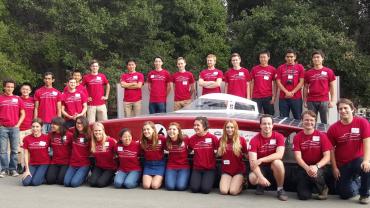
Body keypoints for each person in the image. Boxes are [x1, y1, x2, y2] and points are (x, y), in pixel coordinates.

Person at [327, 98, 370, 204]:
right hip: (343, 165)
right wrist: (334, 168)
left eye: (345, 108)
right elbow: (331, 150)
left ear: (352, 109)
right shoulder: (333, 128)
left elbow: (367, 142)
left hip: (357, 161)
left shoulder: (362, 122)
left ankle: (364, 194)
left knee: (367, 167)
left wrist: (366, 160)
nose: (343, 111)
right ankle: (358, 182)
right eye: (340, 109)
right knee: (344, 194)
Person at [293, 110, 332, 200]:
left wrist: (316, 166)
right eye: (306, 120)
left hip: (319, 167)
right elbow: (298, 157)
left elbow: (327, 156)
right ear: (302, 121)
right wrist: (307, 168)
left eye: (312, 120)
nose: (309, 122)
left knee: (315, 174)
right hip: (303, 168)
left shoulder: (322, 136)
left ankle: (323, 188)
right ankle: (310, 186)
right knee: (303, 196)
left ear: (315, 122)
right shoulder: (297, 137)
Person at [248, 115, 288, 201]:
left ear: (273, 125)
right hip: (260, 167)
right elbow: (253, 163)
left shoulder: (279, 136)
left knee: (278, 162)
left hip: (273, 165)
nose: (267, 126)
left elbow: (279, 155)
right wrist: (261, 177)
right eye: (264, 124)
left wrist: (262, 159)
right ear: (260, 125)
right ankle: (261, 184)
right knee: (252, 178)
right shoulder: (254, 140)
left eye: (269, 124)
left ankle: (280, 189)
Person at [0, 80, 25, 178]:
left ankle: (13, 169)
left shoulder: (17, 99)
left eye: (11, 87)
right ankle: (4, 169)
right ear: (4, 87)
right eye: (8, 86)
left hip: (14, 128)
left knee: (14, 150)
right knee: (2, 150)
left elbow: (23, 113)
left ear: (14, 88)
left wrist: (18, 125)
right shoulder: (0, 98)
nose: (9, 88)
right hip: (3, 128)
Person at [303, 50, 336, 124]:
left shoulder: (329, 71)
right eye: (314, 57)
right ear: (312, 59)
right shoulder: (308, 73)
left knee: (325, 122)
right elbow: (305, 88)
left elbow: (332, 87)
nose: (316, 59)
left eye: (318, 57)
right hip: (311, 101)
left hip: (324, 100)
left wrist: (333, 101)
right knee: (311, 121)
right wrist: (305, 100)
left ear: (322, 58)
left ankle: (325, 135)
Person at [188, 117, 218, 194]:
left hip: (209, 169)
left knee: (205, 190)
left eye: (198, 125)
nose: (195, 127)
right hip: (197, 168)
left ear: (204, 126)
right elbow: (188, 150)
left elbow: (219, 151)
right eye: (194, 125)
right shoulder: (192, 139)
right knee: (194, 189)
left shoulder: (213, 138)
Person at [217, 120, 248, 195]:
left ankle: (243, 182)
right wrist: (218, 152)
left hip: (238, 171)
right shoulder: (221, 140)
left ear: (235, 128)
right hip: (226, 170)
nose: (229, 129)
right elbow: (217, 155)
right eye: (227, 127)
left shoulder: (241, 140)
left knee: (233, 192)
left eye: (232, 127)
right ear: (225, 128)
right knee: (224, 191)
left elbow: (246, 155)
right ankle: (232, 182)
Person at [276, 49, 304, 119]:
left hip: (296, 97)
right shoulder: (280, 68)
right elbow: (278, 82)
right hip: (283, 97)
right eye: (288, 57)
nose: (289, 58)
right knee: (283, 119)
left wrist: (292, 92)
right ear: (285, 58)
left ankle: (298, 131)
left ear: (295, 57)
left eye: (291, 57)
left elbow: (301, 82)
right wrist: (286, 92)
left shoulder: (300, 67)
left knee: (298, 118)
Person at [64, 116, 91, 187]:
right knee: (66, 183)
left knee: (74, 183)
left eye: (81, 123)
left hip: (84, 164)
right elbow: (62, 132)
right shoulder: (73, 135)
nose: (79, 125)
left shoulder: (90, 137)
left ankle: (85, 175)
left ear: (85, 124)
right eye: (77, 123)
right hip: (73, 164)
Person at [22, 118, 50, 186]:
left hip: (44, 163)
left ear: (41, 127)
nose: (35, 129)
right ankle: (37, 175)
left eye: (37, 126)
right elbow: (25, 155)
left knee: (35, 182)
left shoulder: (47, 137)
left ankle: (43, 176)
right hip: (32, 164)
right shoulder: (27, 139)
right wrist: (27, 169)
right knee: (26, 182)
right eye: (33, 126)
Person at [89, 122, 117, 187]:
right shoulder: (93, 142)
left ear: (103, 131)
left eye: (99, 130)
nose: (97, 132)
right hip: (99, 167)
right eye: (95, 130)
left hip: (110, 168)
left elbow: (119, 152)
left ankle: (112, 177)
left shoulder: (110, 141)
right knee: (92, 183)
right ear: (93, 132)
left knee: (100, 184)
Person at [45, 117, 72, 185]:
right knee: (49, 180)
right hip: (54, 161)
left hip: (66, 162)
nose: (52, 125)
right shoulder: (50, 134)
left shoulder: (69, 135)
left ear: (61, 125)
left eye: (55, 124)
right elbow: (46, 146)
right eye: (52, 124)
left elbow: (73, 148)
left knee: (61, 181)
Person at [140, 121, 166, 189]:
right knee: (146, 186)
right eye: (144, 130)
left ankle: (161, 179)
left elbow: (169, 144)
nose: (146, 131)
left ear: (153, 129)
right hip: (148, 165)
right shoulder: (142, 141)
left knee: (154, 186)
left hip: (159, 164)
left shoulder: (161, 138)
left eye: (148, 129)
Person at [165, 122, 190, 191]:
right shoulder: (167, 140)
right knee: (170, 187)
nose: (171, 131)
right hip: (171, 166)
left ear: (178, 131)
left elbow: (190, 148)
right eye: (170, 129)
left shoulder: (185, 139)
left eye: (174, 129)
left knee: (180, 187)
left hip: (183, 166)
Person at [250, 50, 276, 115]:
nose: (262, 59)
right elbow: (252, 83)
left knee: (270, 116)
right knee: (255, 116)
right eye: (261, 57)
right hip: (256, 97)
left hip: (268, 97)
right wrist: (251, 96)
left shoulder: (273, 69)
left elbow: (275, 84)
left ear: (268, 58)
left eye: (264, 57)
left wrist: (274, 97)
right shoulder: (254, 69)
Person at [18, 83, 35, 174]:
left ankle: (27, 165)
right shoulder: (17, 99)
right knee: (19, 148)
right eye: (23, 89)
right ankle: (19, 165)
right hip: (19, 128)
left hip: (30, 128)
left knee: (29, 148)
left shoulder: (33, 100)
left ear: (30, 91)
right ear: (21, 90)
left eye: (27, 89)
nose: (25, 91)